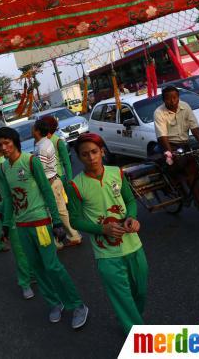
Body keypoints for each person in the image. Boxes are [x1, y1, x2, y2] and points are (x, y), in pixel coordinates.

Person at [0, 127, 89, 327]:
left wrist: (55, 222)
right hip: (21, 227)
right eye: (0, 145)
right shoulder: (3, 169)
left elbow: (47, 191)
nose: (4, 148)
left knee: (53, 267)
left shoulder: (30, 161)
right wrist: (5, 225)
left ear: (15, 142)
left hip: (41, 224)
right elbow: (10, 199)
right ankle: (55, 303)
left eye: (7, 143)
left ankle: (78, 305)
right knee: (37, 268)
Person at [68, 133, 147, 334]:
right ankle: (136, 333)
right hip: (107, 255)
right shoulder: (75, 185)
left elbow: (129, 201)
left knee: (140, 292)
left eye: (94, 152)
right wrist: (102, 229)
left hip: (133, 245)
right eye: (85, 154)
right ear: (79, 157)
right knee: (122, 299)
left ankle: (133, 322)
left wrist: (132, 217)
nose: (91, 157)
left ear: (102, 152)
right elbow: (75, 219)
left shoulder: (117, 173)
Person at [0, 137, 34, 299]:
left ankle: (27, 279)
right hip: (8, 211)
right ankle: (26, 280)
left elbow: (11, 193)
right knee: (21, 249)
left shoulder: (2, 165)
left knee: (23, 249)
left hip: (17, 211)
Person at [33, 119, 81, 249]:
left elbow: (42, 169)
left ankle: (59, 240)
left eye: (33, 128)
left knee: (52, 213)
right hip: (55, 179)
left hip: (51, 182)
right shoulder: (46, 142)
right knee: (61, 211)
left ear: (38, 131)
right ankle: (72, 235)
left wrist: (69, 180)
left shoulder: (45, 145)